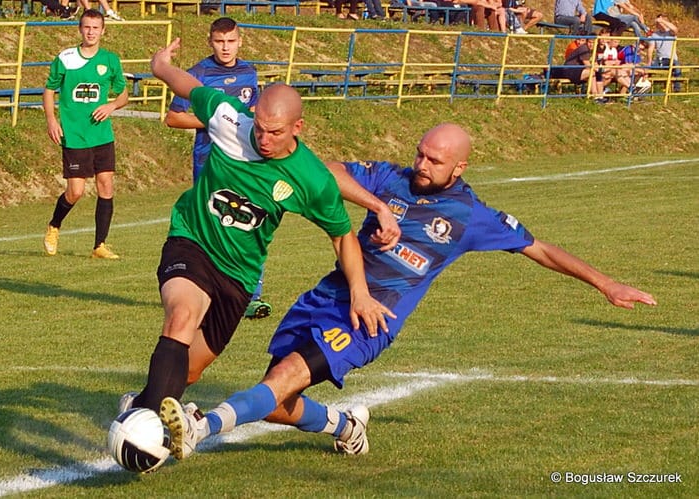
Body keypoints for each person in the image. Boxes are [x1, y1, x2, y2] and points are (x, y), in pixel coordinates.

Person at [158, 123, 657, 459]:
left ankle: (204, 426)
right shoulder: (388, 177)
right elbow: (324, 171)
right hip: (326, 297)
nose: (422, 164)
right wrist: (377, 204)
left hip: (371, 318)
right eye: (420, 152)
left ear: (458, 168)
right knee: (276, 400)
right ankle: (343, 425)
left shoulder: (470, 218)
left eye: (435, 161)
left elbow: (540, 249)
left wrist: (606, 283)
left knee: (286, 375)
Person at [120, 38, 396, 442]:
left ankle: (140, 403)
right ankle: (143, 432)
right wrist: (160, 65)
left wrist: (359, 291)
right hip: (192, 242)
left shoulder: (312, 179)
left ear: (297, 128)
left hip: (239, 277)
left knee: (190, 372)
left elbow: (342, 237)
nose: (263, 139)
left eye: (275, 133)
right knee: (181, 317)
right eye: (260, 127)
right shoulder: (229, 119)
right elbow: (189, 87)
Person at [164, 17, 266, 319]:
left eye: (231, 41)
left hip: (243, 164)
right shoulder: (198, 74)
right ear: (211, 41)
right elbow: (174, 118)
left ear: (240, 41)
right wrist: (216, 122)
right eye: (220, 41)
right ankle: (204, 291)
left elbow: (253, 114)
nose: (225, 47)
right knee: (213, 228)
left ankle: (250, 295)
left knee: (250, 223)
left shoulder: (249, 73)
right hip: (209, 163)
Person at [43, 9, 129, 259]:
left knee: (106, 185)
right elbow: (49, 90)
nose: (91, 32)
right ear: (80, 29)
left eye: (95, 27)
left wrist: (112, 105)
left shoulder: (110, 60)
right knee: (76, 191)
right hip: (75, 134)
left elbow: (123, 94)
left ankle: (99, 245)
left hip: (102, 135)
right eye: (86, 27)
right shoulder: (66, 58)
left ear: (103, 30)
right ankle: (54, 225)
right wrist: (51, 120)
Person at [646, 14, 682, 93]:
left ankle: (677, 88)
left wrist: (663, 21)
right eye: (658, 23)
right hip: (659, 60)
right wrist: (648, 62)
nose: (660, 24)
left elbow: (675, 29)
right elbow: (650, 49)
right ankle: (643, 87)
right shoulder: (654, 35)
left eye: (662, 22)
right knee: (644, 68)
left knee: (676, 65)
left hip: (671, 59)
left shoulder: (670, 32)